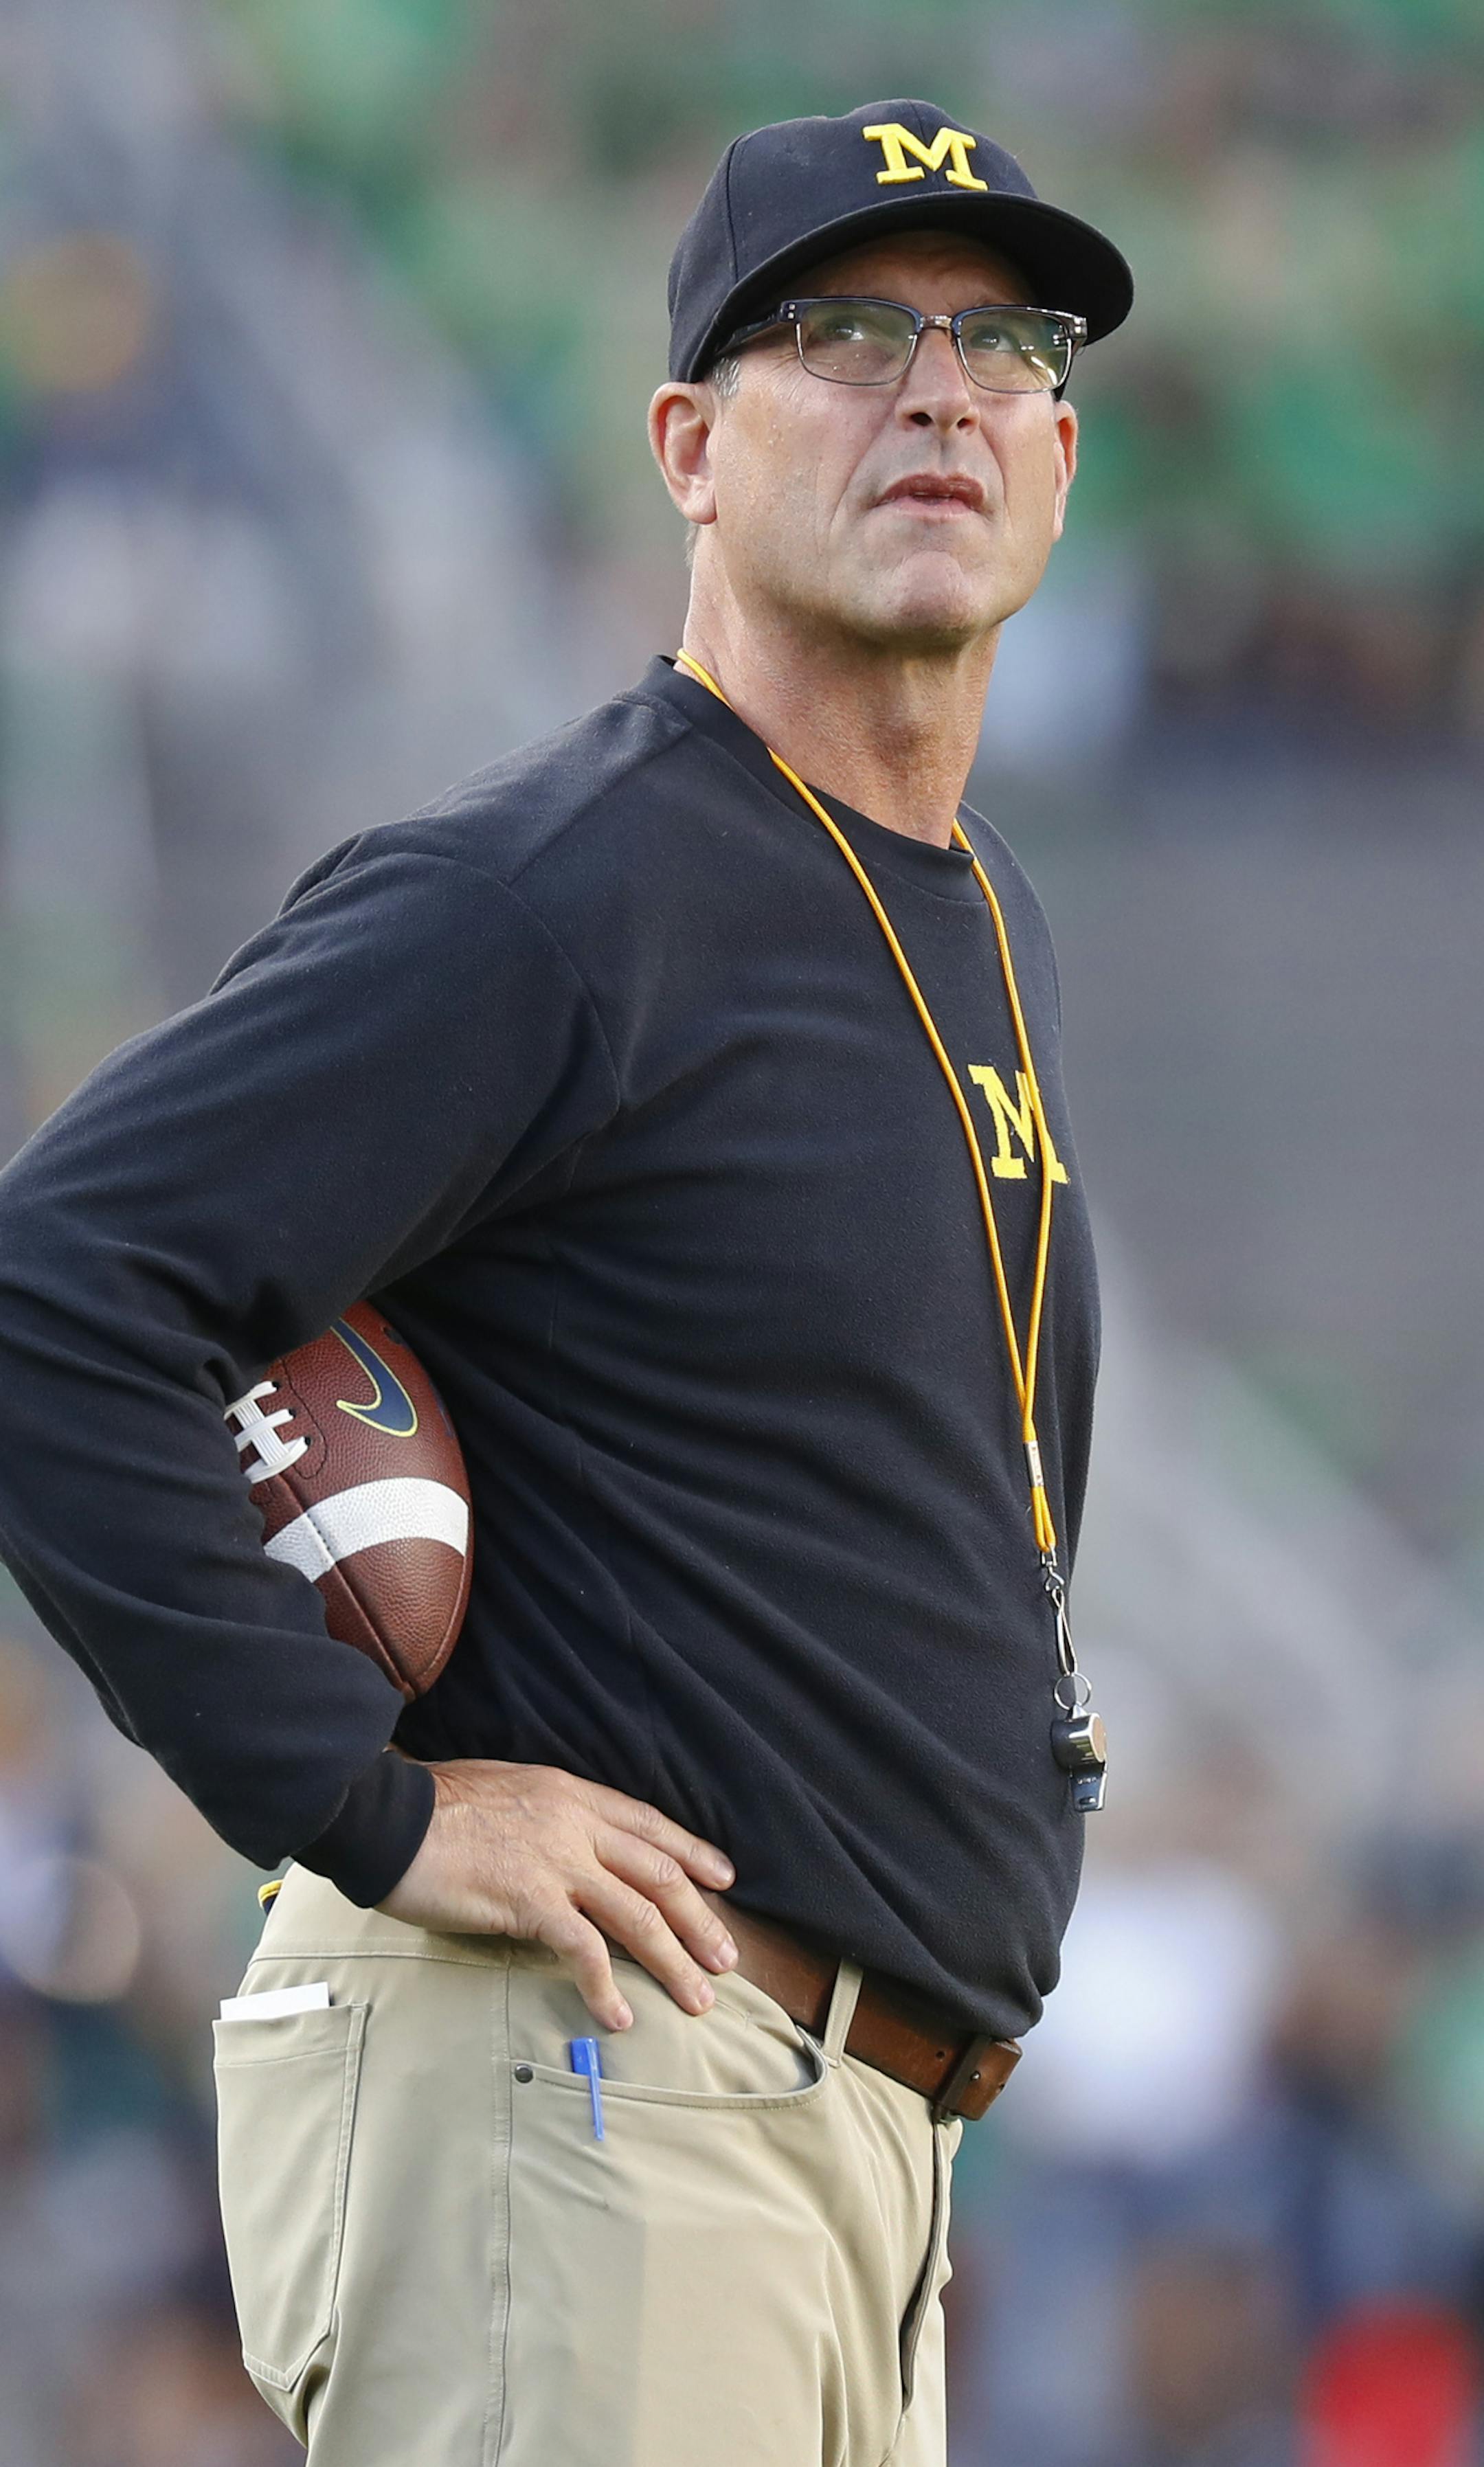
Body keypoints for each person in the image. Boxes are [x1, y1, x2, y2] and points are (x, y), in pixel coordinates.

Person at [0, 98, 1132, 2467]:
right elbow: (56, 1285)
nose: (938, 390)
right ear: (690, 448)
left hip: (841, 2145)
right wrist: (374, 1812)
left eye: (1000, 341)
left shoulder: (968, 903)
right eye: (842, 332)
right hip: (594, 2085)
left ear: (1058, 444)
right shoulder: (558, 889)